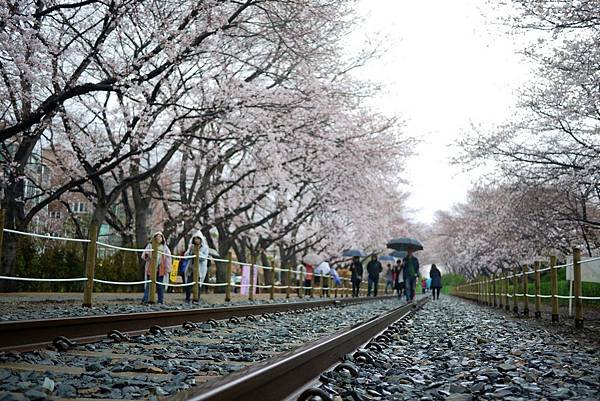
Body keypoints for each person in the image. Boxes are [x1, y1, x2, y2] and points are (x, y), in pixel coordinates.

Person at [141, 232, 172, 304]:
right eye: (157, 237)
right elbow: (144, 256)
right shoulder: (150, 246)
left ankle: (160, 300)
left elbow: (168, 258)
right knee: (148, 285)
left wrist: (168, 268)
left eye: (160, 237)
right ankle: (145, 299)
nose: (158, 238)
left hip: (161, 269)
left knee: (160, 285)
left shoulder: (165, 248)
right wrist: (147, 255)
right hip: (150, 268)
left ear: (162, 238)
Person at [181, 231, 209, 303]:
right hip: (191, 268)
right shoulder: (191, 246)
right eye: (195, 239)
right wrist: (190, 251)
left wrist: (197, 252)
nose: (197, 240)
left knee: (198, 284)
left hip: (200, 269)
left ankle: (196, 299)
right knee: (188, 283)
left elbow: (204, 258)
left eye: (198, 239)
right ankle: (187, 298)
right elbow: (186, 256)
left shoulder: (205, 248)